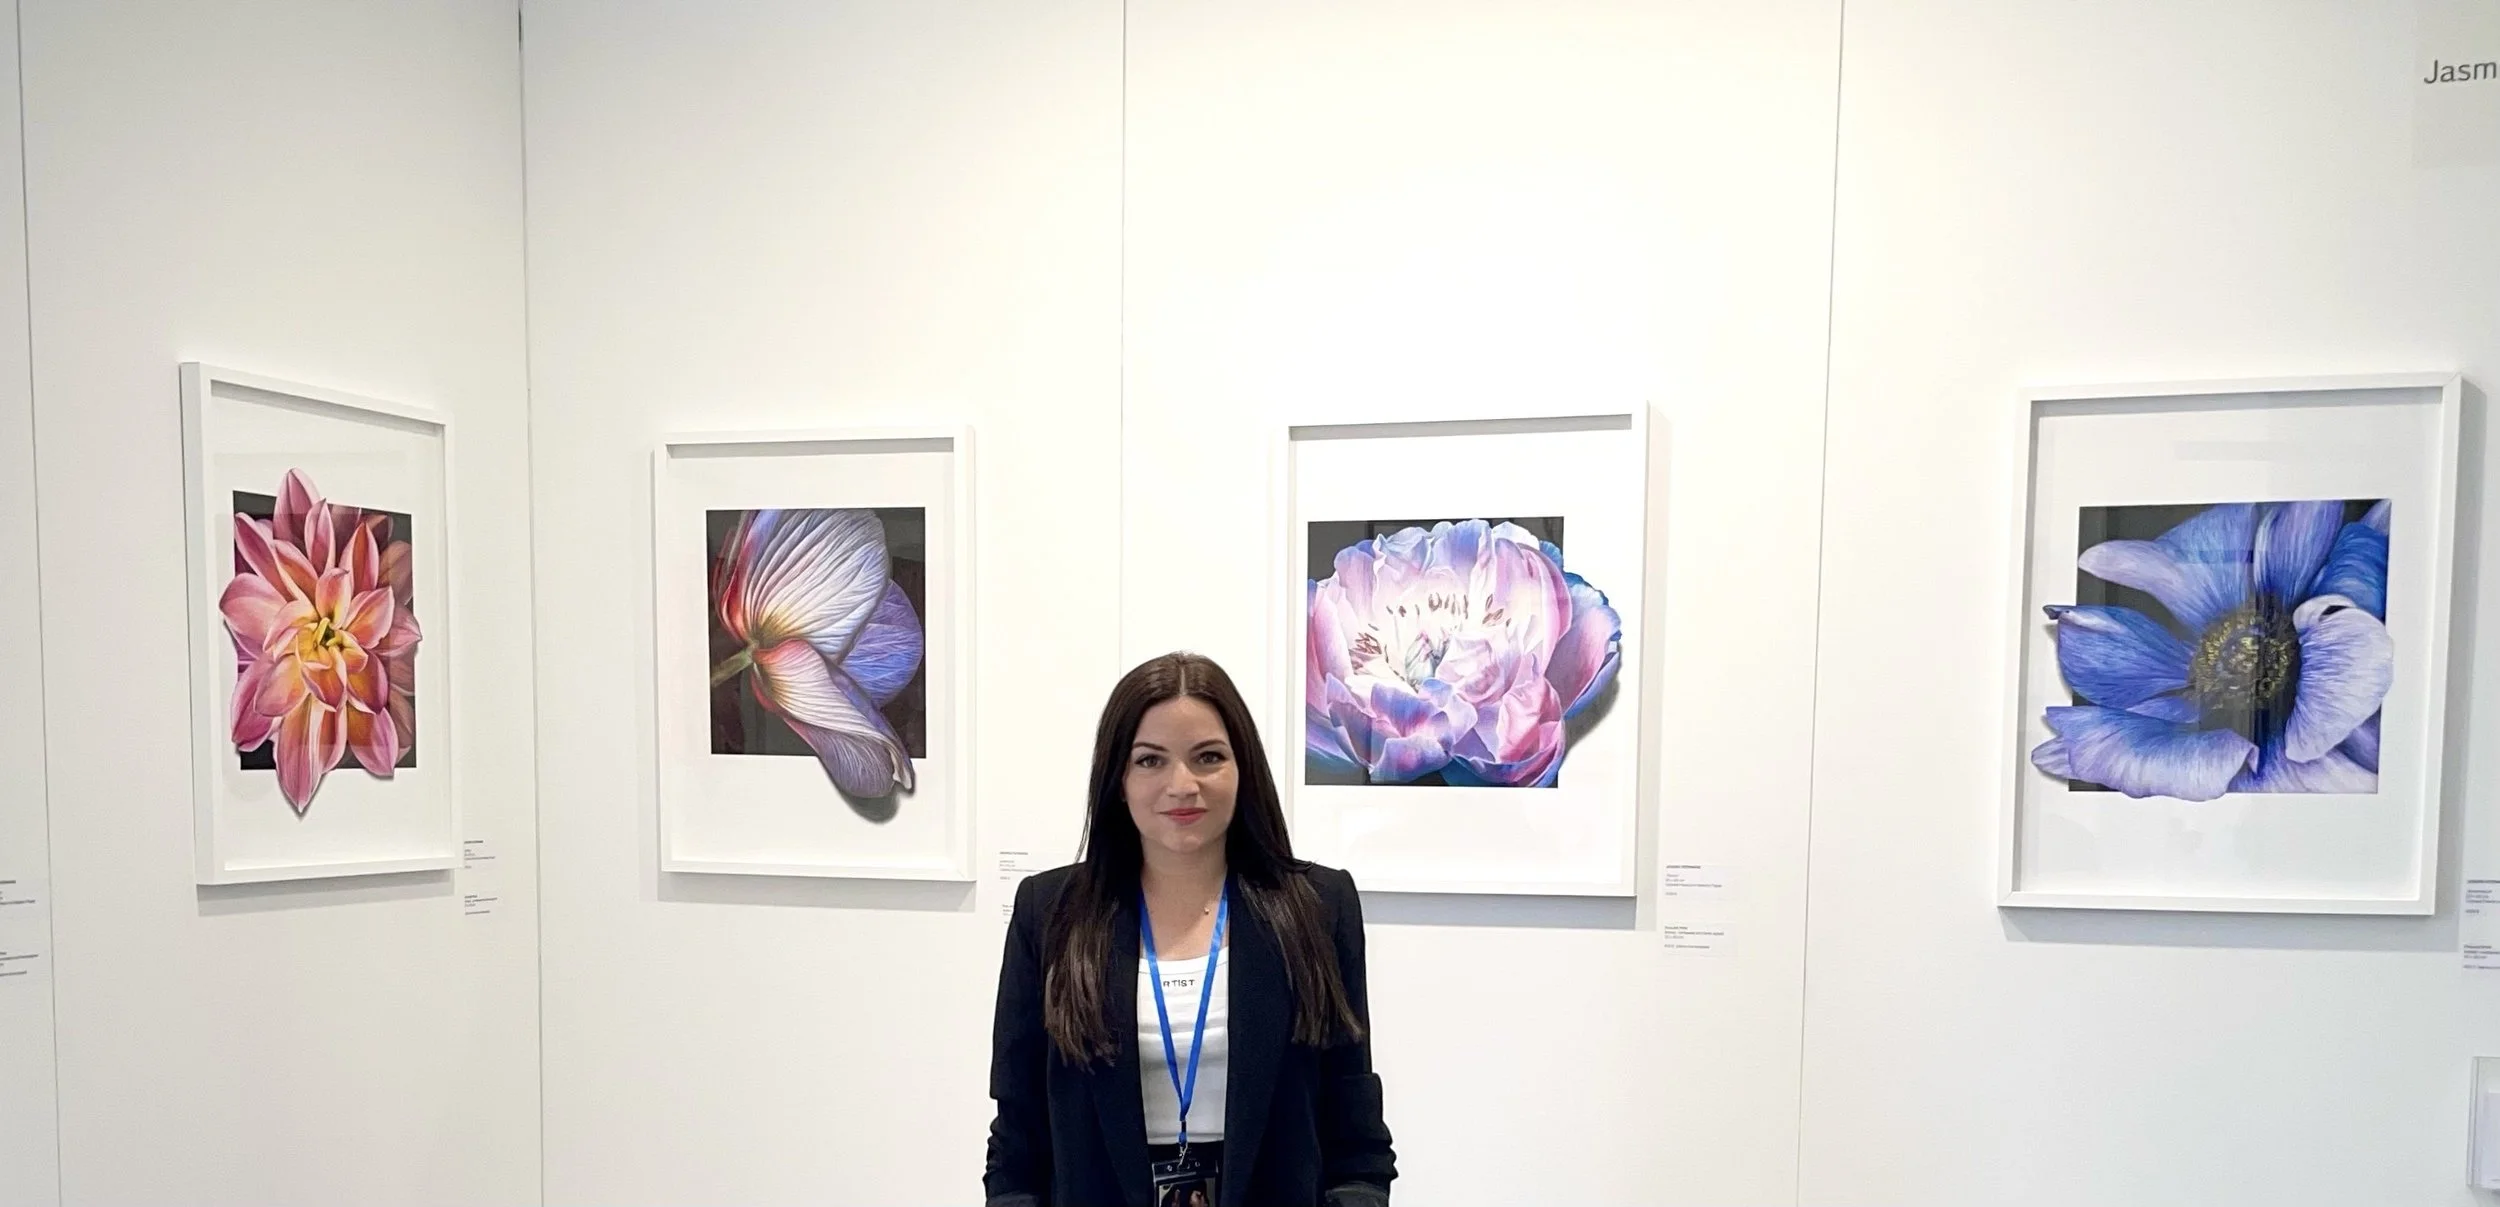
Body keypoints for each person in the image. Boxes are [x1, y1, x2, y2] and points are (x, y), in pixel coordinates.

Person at [984, 652, 1396, 1207]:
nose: (1182, 785)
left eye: (1208, 757)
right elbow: (1018, 1134)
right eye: (1150, 761)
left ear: (1242, 768)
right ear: (1118, 779)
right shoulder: (1051, 912)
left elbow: (1355, 1130)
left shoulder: (1317, 908)